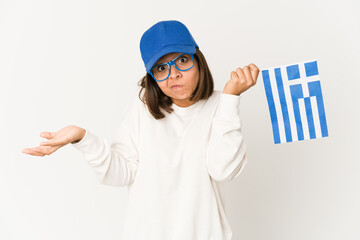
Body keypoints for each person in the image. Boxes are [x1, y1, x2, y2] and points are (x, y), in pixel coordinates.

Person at [22, 20, 259, 240]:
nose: (174, 74)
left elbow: (223, 170)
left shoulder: (222, 105)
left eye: (182, 61)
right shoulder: (142, 110)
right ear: (152, 77)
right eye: (161, 68)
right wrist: (82, 137)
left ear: (198, 60)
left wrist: (231, 98)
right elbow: (121, 173)